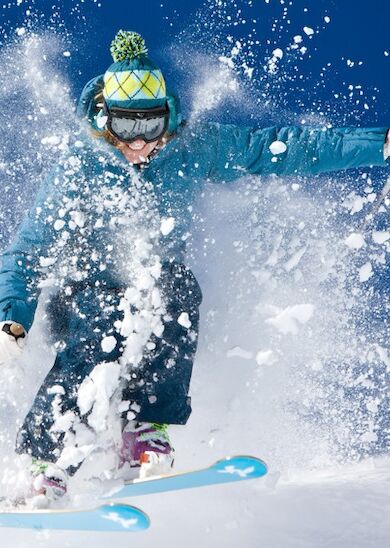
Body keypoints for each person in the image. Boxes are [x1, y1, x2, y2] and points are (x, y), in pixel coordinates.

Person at [0, 29, 389, 502]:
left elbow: (278, 147)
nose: (140, 145)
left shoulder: (192, 146)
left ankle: (142, 430)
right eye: (128, 130)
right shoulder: (79, 167)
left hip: (151, 293)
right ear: (106, 120)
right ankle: (45, 460)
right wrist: (11, 319)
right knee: (107, 320)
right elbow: (28, 250)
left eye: (152, 128)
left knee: (175, 286)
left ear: (170, 117)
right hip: (81, 297)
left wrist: (378, 144)